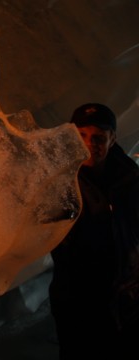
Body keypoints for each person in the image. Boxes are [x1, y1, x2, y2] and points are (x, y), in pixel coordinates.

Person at [49, 103, 139, 359]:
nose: (90, 144)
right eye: (82, 135)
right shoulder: (59, 181)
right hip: (78, 297)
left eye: (99, 137)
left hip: (126, 294)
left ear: (113, 139)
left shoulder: (129, 178)